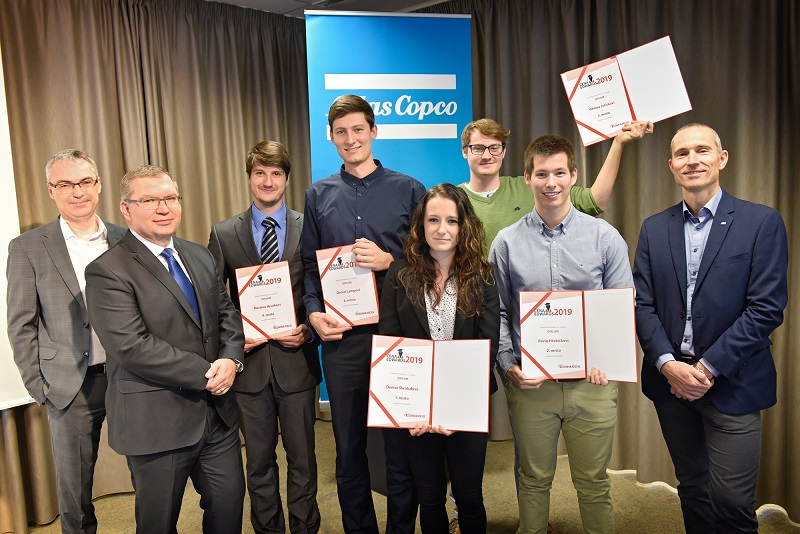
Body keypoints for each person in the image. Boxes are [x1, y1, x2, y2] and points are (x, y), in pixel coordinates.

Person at [633, 123, 788, 534]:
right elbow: (642, 304)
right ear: (671, 166)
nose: (692, 160)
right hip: (671, 384)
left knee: (733, 503)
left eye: (702, 150)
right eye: (682, 154)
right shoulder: (653, 228)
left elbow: (766, 308)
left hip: (734, 381)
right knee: (693, 489)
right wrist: (668, 365)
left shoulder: (761, 222)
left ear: (722, 159)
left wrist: (704, 369)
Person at [85, 165, 246, 534]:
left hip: (216, 417)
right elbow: (131, 346)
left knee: (228, 508)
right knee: (158, 523)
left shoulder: (200, 255)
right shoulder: (107, 270)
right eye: (149, 200)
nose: (163, 208)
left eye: (170, 197)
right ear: (126, 209)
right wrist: (208, 373)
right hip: (156, 421)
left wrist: (231, 359)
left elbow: (226, 314)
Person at [489, 135, 633, 534]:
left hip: (592, 384)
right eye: (541, 174)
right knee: (533, 478)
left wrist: (609, 359)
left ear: (573, 175)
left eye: (558, 173)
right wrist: (508, 365)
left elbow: (622, 307)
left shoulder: (605, 237)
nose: (550, 182)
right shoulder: (506, 242)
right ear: (527, 178)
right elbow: (498, 312)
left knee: (593, 481)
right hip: (533, 386)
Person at [302, 94, 426, 534]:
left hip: (396, 336)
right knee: (348, 447)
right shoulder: (317, 195)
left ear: (374, 131)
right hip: (344, 340)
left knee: (399, 447)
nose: (350, 139)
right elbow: (309, 267)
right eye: (341, 132)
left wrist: (392, 261)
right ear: (331, 137)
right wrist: (313, 313)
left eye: (358, 129)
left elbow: (430, 261)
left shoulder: (410, 190)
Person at [6, 149, 125, 534]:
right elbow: (21, 324)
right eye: (66, 184)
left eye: (85, 181)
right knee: (75, 492)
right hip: (71, 386)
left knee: (150, 475)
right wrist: (38, 385)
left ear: (99, 185)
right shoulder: (27, 247)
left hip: (129, 377)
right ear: (51, 190)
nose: (78, 192)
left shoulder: (126, 238)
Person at [208, 141, 322, 534]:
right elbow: (214, 299)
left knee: (303, 460)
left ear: (287, 179)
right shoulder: (224, 233)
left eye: (276, 173)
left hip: (297, 364)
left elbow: (319, 286)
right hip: (250, 369)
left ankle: (305, 528)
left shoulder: (309, 226)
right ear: (249, 177)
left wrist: (309, 329)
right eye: (260, 173)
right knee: (258, 463)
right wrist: (235, 340)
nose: (268, 181)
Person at [379, 184, 499, 534]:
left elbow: (487, 346)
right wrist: (411, 409)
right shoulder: (399, 274)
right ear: (421, 224)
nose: (442, 229)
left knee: (469, 496)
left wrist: (453, 409)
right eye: (433, 220)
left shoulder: (483, 275)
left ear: (464, 226)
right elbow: (391, 346)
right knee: (429, 498)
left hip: (467, 406)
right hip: (416, 412)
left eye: (452, 220)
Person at [458, 118, 653, 247]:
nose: (487, 156)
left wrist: (618, 144)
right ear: (465, 151)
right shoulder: (454, 199)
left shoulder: (533, 186)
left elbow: (595, 200)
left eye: (494, 148)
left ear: (503, 151)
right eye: (478, 148)